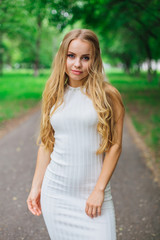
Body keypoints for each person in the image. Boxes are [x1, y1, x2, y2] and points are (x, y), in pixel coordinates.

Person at [27, 28, 125, 240]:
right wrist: (36, 187)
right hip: (56, 195)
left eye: (85, 57)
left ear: (95, 59)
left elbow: (115, 146)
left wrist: (99, 190)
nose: (77, 64)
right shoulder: (53, 93)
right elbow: (46, 144)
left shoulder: (108, 95)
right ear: (63, 56)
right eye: (71, 56)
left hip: (94, 196)